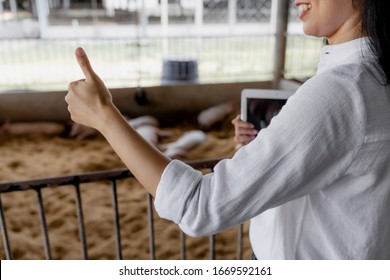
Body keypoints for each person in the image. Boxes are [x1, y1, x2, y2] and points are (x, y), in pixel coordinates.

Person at [65, 0, 390, 259]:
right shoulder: (375, 78)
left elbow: (199, 207)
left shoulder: (340, 92)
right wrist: (264, 150)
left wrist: (105, 116)